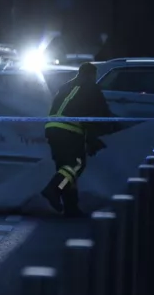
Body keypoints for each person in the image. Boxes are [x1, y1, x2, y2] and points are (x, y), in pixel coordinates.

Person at [40, 62, 120, 218]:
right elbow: (100, 113)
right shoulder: (91, 87)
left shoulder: (66, 86)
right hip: (69, 129)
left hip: (52, 129)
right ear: (92, 75)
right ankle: (54, 189)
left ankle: (71, 207)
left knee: (66, 169)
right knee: (76, 164)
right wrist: (115, 127)